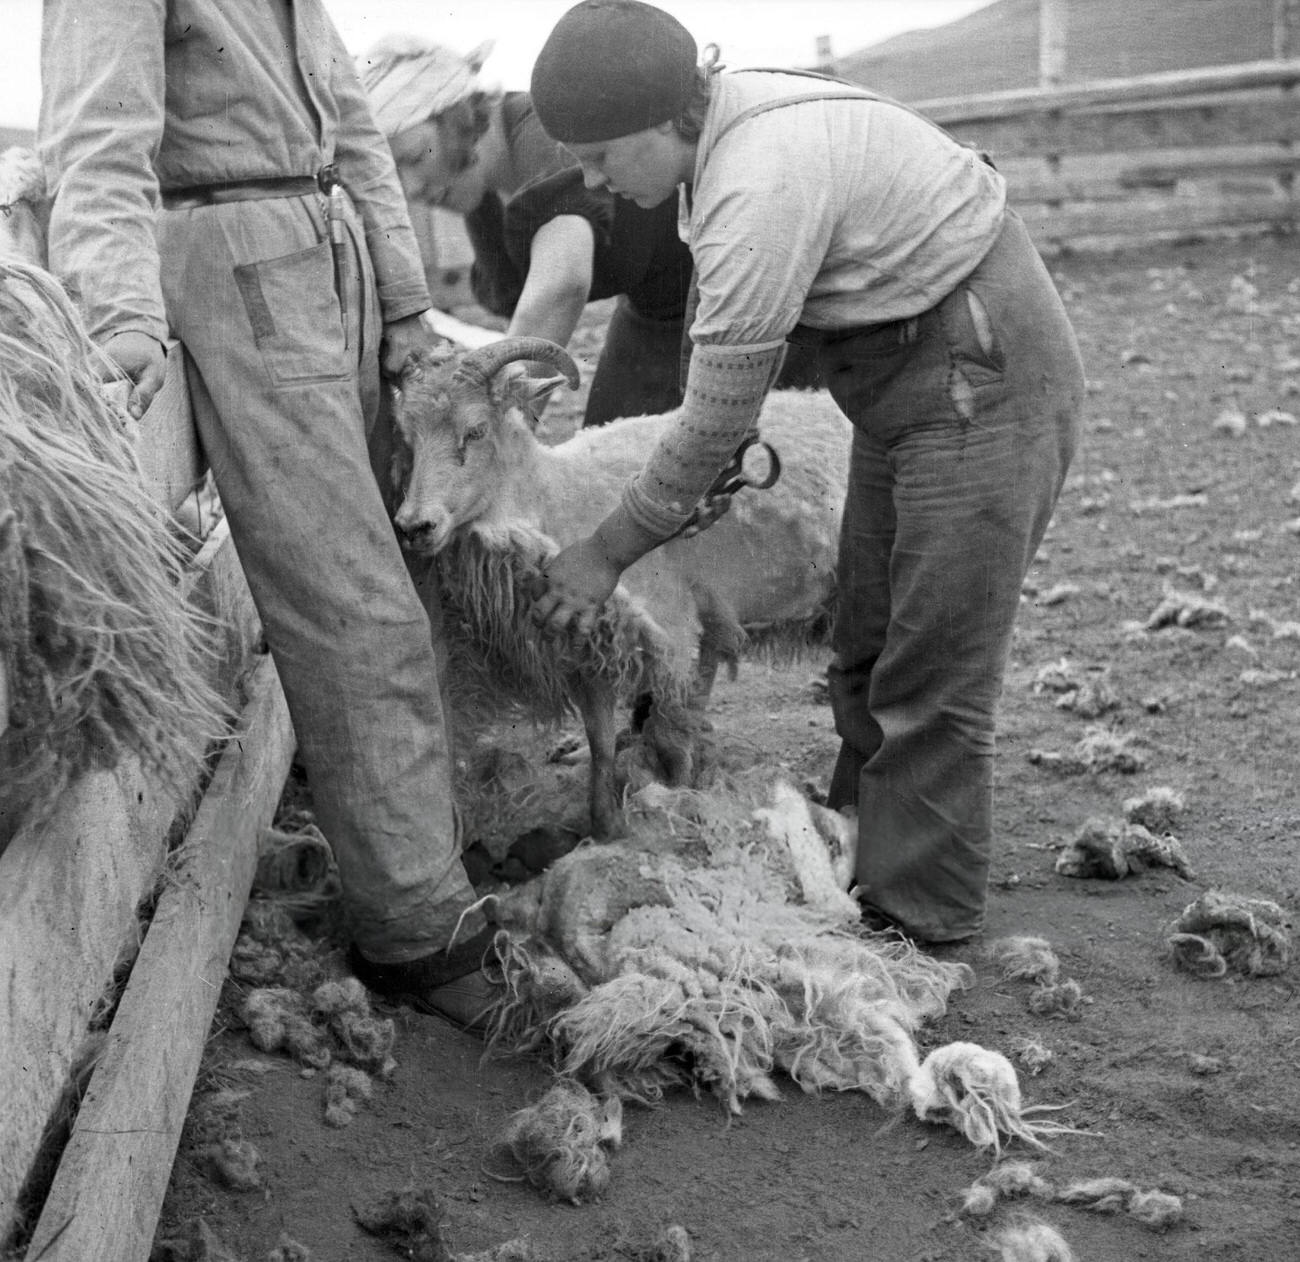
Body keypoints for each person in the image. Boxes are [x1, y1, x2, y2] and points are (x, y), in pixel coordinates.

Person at [525, 0, 1085, 944]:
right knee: (865, 637)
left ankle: (914, 925)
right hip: (906, 371)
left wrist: (605, 551)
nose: (592, 180)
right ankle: (861, 854)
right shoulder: (723, 136)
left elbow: (714, 424)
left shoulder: (756, 185)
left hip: (978, 373)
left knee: (931, 662)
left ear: (669, 116)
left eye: (603, 155)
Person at [38, 0, 498, 1025]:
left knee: (392, 566)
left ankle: (428, 845)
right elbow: (97, 141)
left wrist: (409, 298)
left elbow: (351, 121)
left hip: (329, 246)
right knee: (352, 601)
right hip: (238, 256)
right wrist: (120, 319)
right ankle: (418, 928)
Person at [360, 36, 818, 428]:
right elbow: (515, 304)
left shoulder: (544, 134)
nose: (411, 188)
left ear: (460, 113)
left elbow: (562, 284)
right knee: (613, 469)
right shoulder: (479, 190)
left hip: (745, 301)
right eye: (393, 172)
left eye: (417, 156)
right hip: (653, 315)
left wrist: (497, 424)